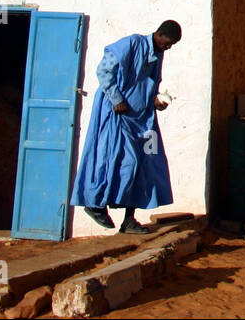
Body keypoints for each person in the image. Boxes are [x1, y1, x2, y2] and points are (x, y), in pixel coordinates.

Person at [71, 20, 181, 233]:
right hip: (117, 116)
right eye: (169, 42)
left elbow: (148, 87)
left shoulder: (157, 55)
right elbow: (104, 71)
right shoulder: (132, 43)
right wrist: (116, 99)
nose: (169, 47)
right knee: (113, 161)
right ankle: (95, 203)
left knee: (145, 165)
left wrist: (155, 102)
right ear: (159, 34)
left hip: (142, 120)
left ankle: (129, 220)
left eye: (172, 45)